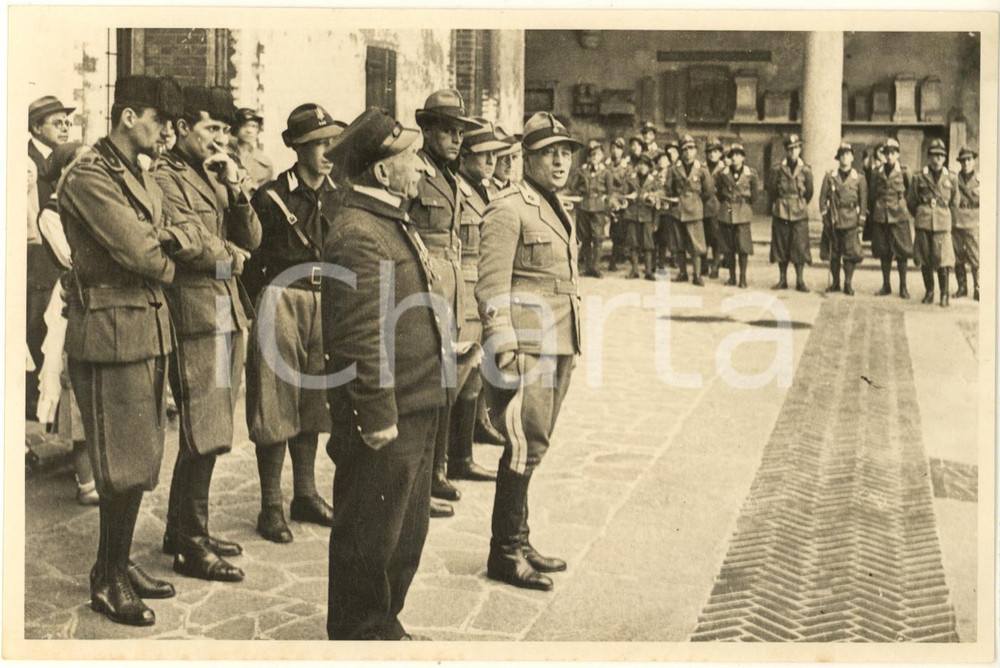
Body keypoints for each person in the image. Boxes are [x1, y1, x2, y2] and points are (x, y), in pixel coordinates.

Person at [60, 75, 203, 626]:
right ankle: (107, 578)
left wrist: (168, 244)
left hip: (144, 325)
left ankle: (116, 562)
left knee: (139, 459)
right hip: (111, 331)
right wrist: (170, 256)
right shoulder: (90, 176)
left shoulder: (135, 173)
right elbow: (143, 251)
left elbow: (174, 232)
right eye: (158, 120)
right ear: (127, 117)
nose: (166, 131)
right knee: (119, 464)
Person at [322, 107, 448, 640]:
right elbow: (359, 335)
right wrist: (376, 414)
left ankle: (384, 626)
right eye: (410, 157)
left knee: (404, 534)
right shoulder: (359, 232)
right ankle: (359, 636)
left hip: (415, 401)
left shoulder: (388, 219)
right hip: (387, 412)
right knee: (370, 537)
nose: (419, 166)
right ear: (381, 170)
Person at [153, 85, 262, 582]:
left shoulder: (214, 172)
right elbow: (186, 244)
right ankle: (190, 545)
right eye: (210, 128)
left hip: (224, 308)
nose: (220, 138)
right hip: (196, 313)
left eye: (224, 130)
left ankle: (181, 530)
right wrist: (231, 258)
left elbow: (253, 239)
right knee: (204, 427)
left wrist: (237, 189)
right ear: (181, 129)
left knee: (211, 427)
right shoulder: (165, 176)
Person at [477, 111, 583, 592]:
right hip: (526, 346)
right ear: (526, 158)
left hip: (559, 342)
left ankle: (519, 540)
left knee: (534, 444)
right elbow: (491, 284)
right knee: (522, 443)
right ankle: (504, 551)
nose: (559, 161)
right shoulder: (508, 208)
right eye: (549, 153)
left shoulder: (555, 205)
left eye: (565, 153)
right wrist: (502, 345)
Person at [244, 103, 343, 542]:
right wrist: (258, 310)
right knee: (275, 402)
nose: (327, 151)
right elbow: (250, 260)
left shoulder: (340, 195)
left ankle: (305, 493)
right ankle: (270, 505)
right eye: (318, 143)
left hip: (327, 301)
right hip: (281, 300)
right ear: (297, 148)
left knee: (314, 401)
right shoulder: (270, 197)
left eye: (331, 142)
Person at [409, 89, 483, 518]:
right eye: (448, 131)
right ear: (427, 130)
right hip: (425, 285)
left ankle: (436, 470)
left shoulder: (451, 177)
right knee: (425, 384)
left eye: (460, 132)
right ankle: (420, 479)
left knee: (447, 380)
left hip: (452, 287)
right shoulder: (415, 171)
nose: (457, 139)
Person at [35, 141, 97, 505]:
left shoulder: (90, 204)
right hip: (72, 300)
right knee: (74, 384)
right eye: (82, 163)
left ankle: (97, 472)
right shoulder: (51, 212)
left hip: (94, 295)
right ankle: (85, 481)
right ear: (64, 172)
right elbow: (72, 259)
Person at [449, 118, 506, 483]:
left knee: (474, 375)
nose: (490, 162)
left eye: (493, 156)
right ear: (465, 156)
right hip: (462, 289)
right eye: (483, 155)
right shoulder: (455, 190)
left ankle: (462, 456)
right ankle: (441, 465)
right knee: (455, 377)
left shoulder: (487, 192)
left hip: (483, 289)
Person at [27, 95, 75, 419]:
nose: (65, 128)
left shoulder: (65, 158)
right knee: (34, 326)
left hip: (57, 260)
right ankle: (33, 406)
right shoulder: (26, 161)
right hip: (36, 259)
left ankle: (47, 408)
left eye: (67, 123)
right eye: (57, 123)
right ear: (36, 128)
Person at [907, 139, 958, 307]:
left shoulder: (951, 178)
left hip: (942, 224)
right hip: (924, 223)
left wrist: (946, 218)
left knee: (943, 260)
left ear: (945, 158)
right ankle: (929, 292)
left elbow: (955, 202)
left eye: (941, 156)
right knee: (925, 258)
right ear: (928, 157)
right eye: (934, 155)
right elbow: (911, 201)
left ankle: (944, 294)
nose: (937, 159)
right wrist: (922, 214)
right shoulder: (919, 176)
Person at [818, 140, 867, 296]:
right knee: (834, 253)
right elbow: (822, 198)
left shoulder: (859, 178)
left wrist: (861, 221)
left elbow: (863, 202)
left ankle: (848, 283)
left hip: (851, 220)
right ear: (838, 158)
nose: (845, 157)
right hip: (835, 219)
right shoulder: (830, 176)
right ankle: (835, 282)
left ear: (852, 157)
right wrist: (825, 217)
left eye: (847, 154)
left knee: (850, 254)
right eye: (842, 155)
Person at [666, 135, 716, 286]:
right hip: (678, 210)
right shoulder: (674, 168)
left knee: (696, 245)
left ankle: (697, 275)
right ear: (681, 152)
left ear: (696, 150)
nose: (688, 152)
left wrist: (696, 201)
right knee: (679, 243)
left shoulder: (702, 169)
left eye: (691, 148)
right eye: (685, 149)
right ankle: (682, 273)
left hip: (694, 209)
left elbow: (708, 191)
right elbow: (668, 188)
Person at [768, 133, 814, 292]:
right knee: (781, 246)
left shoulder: (806, 170)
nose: (793, 152)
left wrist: (798, 203)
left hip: (799, 211)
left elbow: (809, 192)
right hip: (781, 210)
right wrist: (781, 202)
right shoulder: (777, 169)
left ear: (800, 149)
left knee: (800, 246)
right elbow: (772, 190)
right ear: (786, 151)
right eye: (790, 149)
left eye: (796, 148)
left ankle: (800, 280)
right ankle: (782, 279)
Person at [868, 137, 912, 298]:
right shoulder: (876, 172)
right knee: (884, 252)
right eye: (887, 153)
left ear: (898, 154)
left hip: (899, 217)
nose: (890, 156)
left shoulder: (904, 172)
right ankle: (886, 285)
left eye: (893, 153)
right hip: (881, 216)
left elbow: (910, 193)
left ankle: (903, 287)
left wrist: (902, 206)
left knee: (902, 252)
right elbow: (872, 194)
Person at [716, 143, 759, 288]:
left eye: (738, 155)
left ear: (743, 157)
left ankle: (743, 278)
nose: (734, 158)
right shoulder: (723, 174)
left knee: (743, 247)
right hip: (727, 211)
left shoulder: (750, 174)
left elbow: (755, 195)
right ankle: (732, 277)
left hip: (742, 212)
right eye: (732, 155)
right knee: (728, 248)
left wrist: (745, 206)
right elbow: (719, 193)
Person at [570, 141, 614, 278]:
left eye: (598, 154)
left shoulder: (606, 172)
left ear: (602, 156)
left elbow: (610, 192)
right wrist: (580, 192)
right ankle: (588, 267)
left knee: (598, 238)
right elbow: (573, 186)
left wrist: (607, 210)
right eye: (592, 155)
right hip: (584, 206)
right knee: (585, 238)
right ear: (588, 157)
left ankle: (596, 268)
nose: (595, 157)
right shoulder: (582, 171)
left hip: (599, 208)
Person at [622, 152, 661, 280]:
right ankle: (634, 270)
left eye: (645, 164)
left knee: (648, 244)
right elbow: (623, 195)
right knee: (633, 242)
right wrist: (629, 197)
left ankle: (648, 271)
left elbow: (658, 201)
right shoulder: (630, 179)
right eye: (640, 164)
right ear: (637, 165)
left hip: (647, 216)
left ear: (649, 167)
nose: (642, 166)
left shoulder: (654, 181)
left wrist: (656, 220)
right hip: (632, 214)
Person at [953, 146, 979, 301]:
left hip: (973, 221)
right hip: (957, 221)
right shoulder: (954, 180)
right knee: (958, 256)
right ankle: (962, 287)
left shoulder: (980, 180)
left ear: (973, 161)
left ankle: (978, 287)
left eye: (969, 160)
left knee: (975, 255)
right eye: (963, 161)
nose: (966, 163)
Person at [229, 107, 274, 193]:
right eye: (244, 126)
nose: (249, 130)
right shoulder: (225, 153)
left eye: (254, 126)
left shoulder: (265, 162)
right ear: (236, 127)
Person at [703, 137, 726, 279]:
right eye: (710, 152)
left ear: (720, 153)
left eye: (716, 151)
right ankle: (704, 265)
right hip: (703, 207)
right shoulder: (701, 168)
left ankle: (716, 266)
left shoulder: (725, 169)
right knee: (703, 237)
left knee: (717, 238)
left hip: (718, 207)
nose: (712, 154)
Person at [605, 137, 630, 272]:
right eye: (613, 148)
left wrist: (618, 198)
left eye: (618, 149)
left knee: (619, 231)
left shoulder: (626, 167)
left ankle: (615, 259)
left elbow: (627, 186)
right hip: (608, 200)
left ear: (622, 151)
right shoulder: (606, 165)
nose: (615, 151)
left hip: (621, 201)